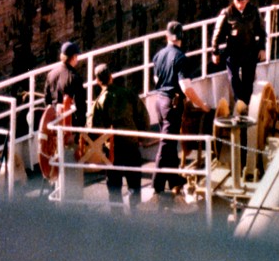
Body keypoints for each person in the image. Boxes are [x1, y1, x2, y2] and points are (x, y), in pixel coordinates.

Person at [151, 21, 210, 197]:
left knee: (169, 143)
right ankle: (157, 184)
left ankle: (174, 179)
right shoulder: (181, 58)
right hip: (172, 104)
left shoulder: (158, 55)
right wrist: (202, 105)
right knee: (166, 143)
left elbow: (156, 80)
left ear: (166, 36)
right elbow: (186, 88)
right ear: (181, 38)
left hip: (159, 101)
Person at [88, 64, 149, 208]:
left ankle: (117, 220)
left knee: (114, 188)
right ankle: (135, 214)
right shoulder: (128, 94)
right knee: (134, 184)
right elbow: (144, 117)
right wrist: (140, 137)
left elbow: (93, 130)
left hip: (113, 151)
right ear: (111, 77)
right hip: (131, 145)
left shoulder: (98, 103)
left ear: (97, 81)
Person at [212, 0, 263, 107]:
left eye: (243, 1)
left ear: (247, 0)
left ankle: (246, 104)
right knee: (234, 79)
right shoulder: (227, 13)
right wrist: (215, 52)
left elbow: (261, 31)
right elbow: (217, 33)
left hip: (249, 50)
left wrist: (262, 48)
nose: (240, 5)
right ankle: (239, 104)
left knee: (248, 81)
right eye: (237, 1)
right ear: (234, 0)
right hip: (233, 51)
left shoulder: (253, 11)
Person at [44, 41, 87, 130]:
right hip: (68, 121)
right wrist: (82, 126)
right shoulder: (74, 77)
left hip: (54, 120)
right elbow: (81, 104)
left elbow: (47, 99)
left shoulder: (51, 74)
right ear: (73, 57)